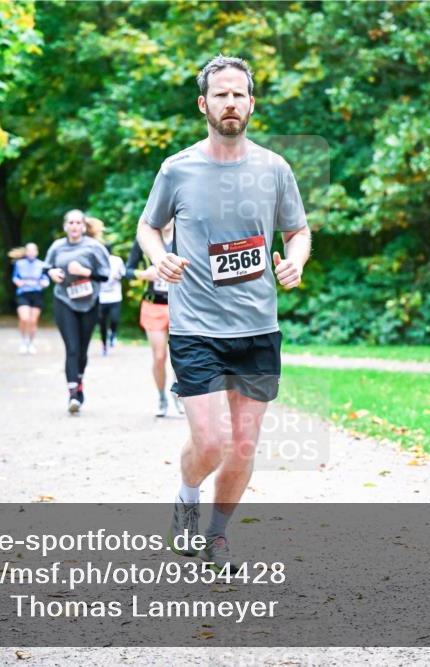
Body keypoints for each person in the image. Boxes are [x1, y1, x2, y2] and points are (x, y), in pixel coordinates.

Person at [137, 56, 311, 570]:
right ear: (203, 104)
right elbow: (149, 227)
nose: (230, 103)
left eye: (239, 94)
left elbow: (296, 231)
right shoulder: (178, 168)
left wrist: (295, 262)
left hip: (258, 328)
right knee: (210, 442)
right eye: (220, 95)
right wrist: (158, 256)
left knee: (242, 445)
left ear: (251, 103)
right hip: (195, 328)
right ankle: (186, 498)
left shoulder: (275, 168)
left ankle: (217, 535)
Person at [43, 210, 111, 414]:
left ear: (83, 226)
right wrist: (51, 272)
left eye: (78, 222)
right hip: (64, 300)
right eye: (70, 222)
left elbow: (105, 275)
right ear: (65, 226)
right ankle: (73, 395)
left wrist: (85, 272)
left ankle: (79, 382)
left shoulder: (94, 247)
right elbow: (46, 267)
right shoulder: (57, 247)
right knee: (71, 348)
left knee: (82, 349)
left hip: (89, 303)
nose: (74, 226)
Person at [125, 220, 185, 417]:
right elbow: (127, 271)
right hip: (154, 305)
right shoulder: (145, 240)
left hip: (182, 305)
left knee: (181, 355)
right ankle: (161, 397)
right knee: (159, 357)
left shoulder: (185, 237)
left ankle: (179, 395)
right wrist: (144, 274)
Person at [12, 242, 50, 355]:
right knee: (24, 318)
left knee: (33, 321)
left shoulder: (42, 265)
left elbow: (46, 279)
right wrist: (18, 282)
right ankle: (23, 341)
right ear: (26, 252)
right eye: (29, 250)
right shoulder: (19, 264)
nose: (31, 252)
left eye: (33, 250)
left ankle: (31, 343)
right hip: (23, 293)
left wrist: (45, 283)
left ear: (37, 252)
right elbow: (15, 277)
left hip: (37, 294)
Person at [97, 245, 126, 356]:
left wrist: (117, 276)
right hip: (101, 296)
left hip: (115, 295)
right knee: (102, 323)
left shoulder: (117, 260)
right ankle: (104, 346)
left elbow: (123, 273)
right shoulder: (96, 260)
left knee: (114, 318)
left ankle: (113, 333)